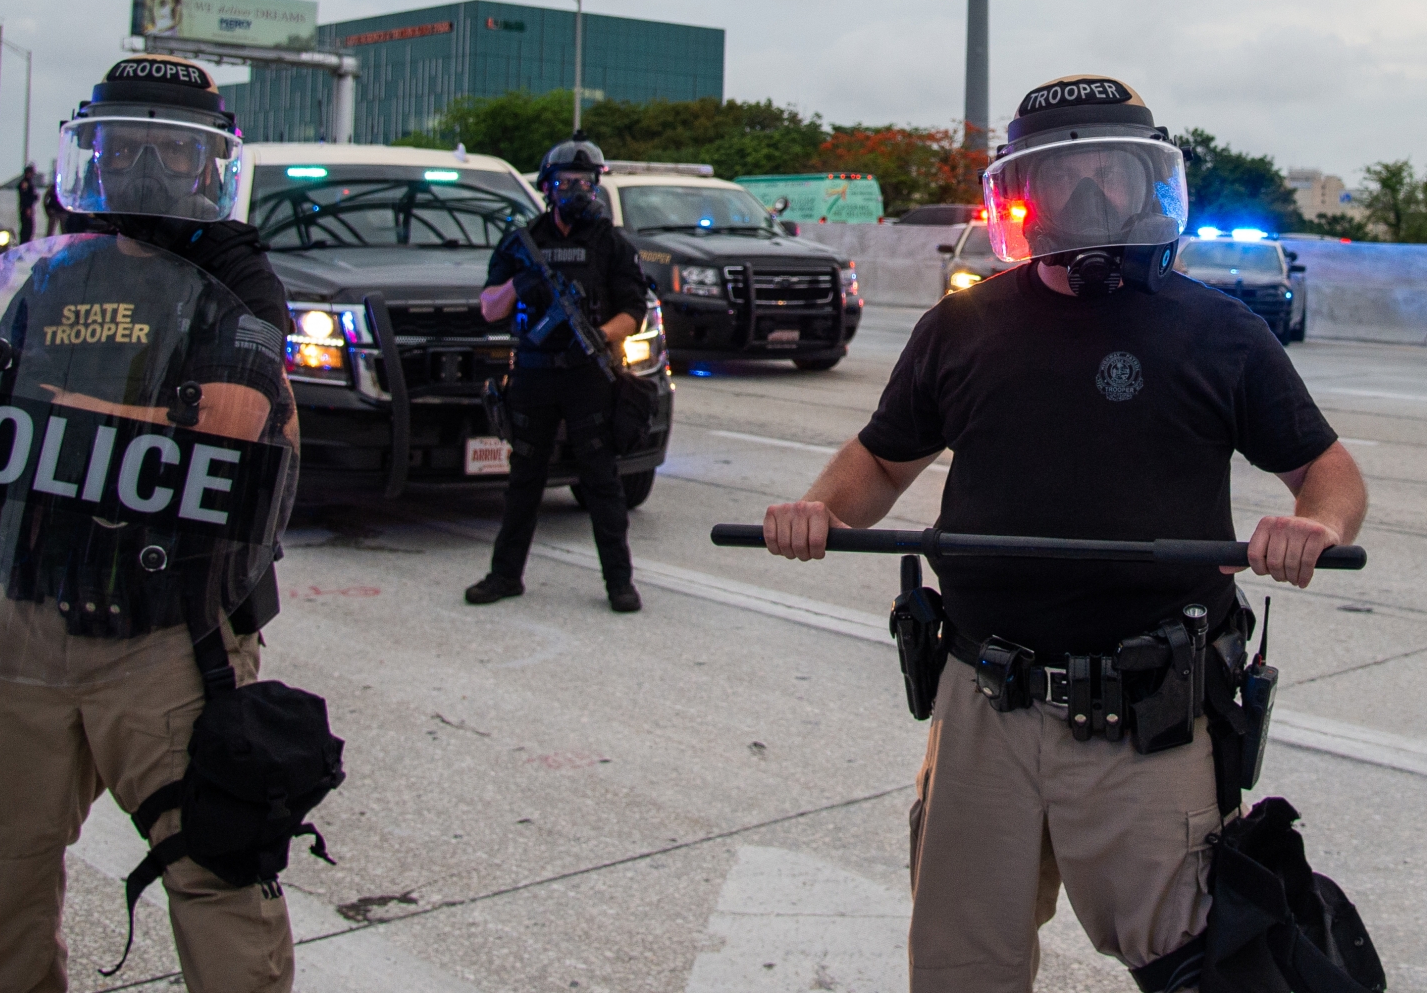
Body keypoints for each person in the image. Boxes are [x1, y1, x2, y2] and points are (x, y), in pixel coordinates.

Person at [761, 76, 1368, 992]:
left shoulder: (1221, 334)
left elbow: (1330, 474)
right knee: (963, 969)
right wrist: (822, 510)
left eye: (1110, 174)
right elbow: (882, 464)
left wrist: (1313, 526)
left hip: (1149, 714)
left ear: (1147, 184)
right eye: (1064, 176)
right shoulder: (960, 329)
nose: (1090, 197)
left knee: (1203, 969)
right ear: (1022, 196)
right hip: (982, 705)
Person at [0, 55, 300, 993]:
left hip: (171, 624)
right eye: (124, 146)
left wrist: (67, 411)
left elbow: (237, 416)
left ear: (206, 165)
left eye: (171, 151)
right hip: (35, 606)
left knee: (217, 870)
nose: (146, 168)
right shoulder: (55, 271)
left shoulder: (234, 272)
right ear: (90, 154)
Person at [465, 132, 648, 613]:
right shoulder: (523, 242)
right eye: (567, 182)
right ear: (548, 187)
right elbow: (488, 308)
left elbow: (635, 311)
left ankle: (619, 583)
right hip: (533, 374)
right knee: (524, 478)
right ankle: (505, 575)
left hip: (588, 374)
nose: (577, 190)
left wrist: (600, 335)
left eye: (585, 182)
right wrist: (521, 282)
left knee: (601, 481)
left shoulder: (611, 244)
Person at [16, 163, 39, 243]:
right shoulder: (25, 183)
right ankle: (24, 243)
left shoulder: (29, 183)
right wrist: (27, 207)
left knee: (30, 228)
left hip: (29, 208)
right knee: (26, 228)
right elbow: (24, 196)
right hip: (26, 209)